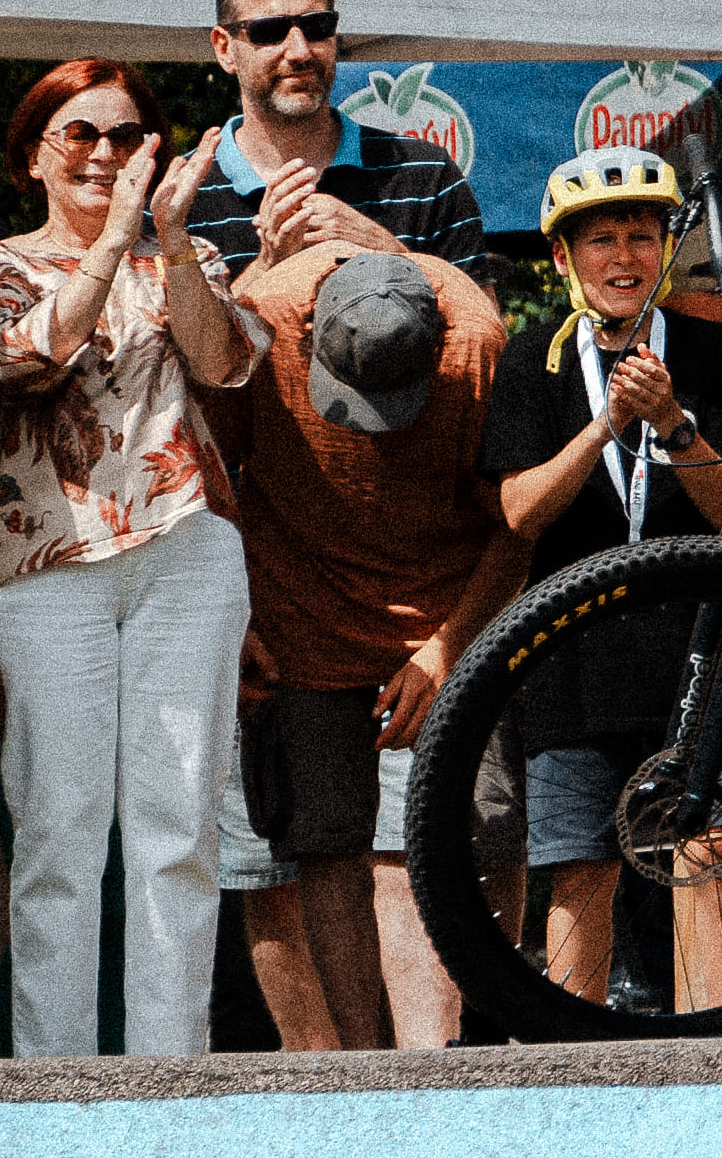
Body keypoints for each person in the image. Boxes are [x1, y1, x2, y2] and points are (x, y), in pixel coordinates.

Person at [0, 62, 260, 1056]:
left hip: (187, 548)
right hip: (47, 565)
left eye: (127, 136)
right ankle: (56, 1082)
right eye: (81, 132)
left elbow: (224, 364)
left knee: (181, 826)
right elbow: (20, 360)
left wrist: (165, 243)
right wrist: (115, 236)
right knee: (57, 833)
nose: (105, 155)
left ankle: (171, 1074)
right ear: (36, 149)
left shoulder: (183, 251)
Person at [220, 245, 520, 1050]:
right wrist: (236, 617)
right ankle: (364, 1072)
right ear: (313, 328)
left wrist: (445, 650)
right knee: (324, 840)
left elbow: (519, 525)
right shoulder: (261, 323)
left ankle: (453, 1066)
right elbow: (209, 471)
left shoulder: (479, 343)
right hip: (299, 618)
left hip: (445, 617)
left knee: (462, 839)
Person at [479, 150, 722, 1005]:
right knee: (578, 869)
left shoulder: (711, 350)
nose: (624, 257)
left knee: (709, 853)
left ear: (668, 248)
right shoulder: (533, 363)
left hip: (695, 649)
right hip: (571, 656)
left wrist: (672, 422)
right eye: (600, 240)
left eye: (642, 235)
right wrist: (604, 428)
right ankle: (573, 1065)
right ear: (562, 258)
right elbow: (520, 512)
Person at [182, 0, 485, 283]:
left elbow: (485, 330)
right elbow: (170, 336)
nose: (299, 51)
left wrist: (390, 254)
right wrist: (269, 264)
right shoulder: (180, 199)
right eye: (269, 30)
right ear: (225, 49)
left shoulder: (427, 175)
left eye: (317, 26)